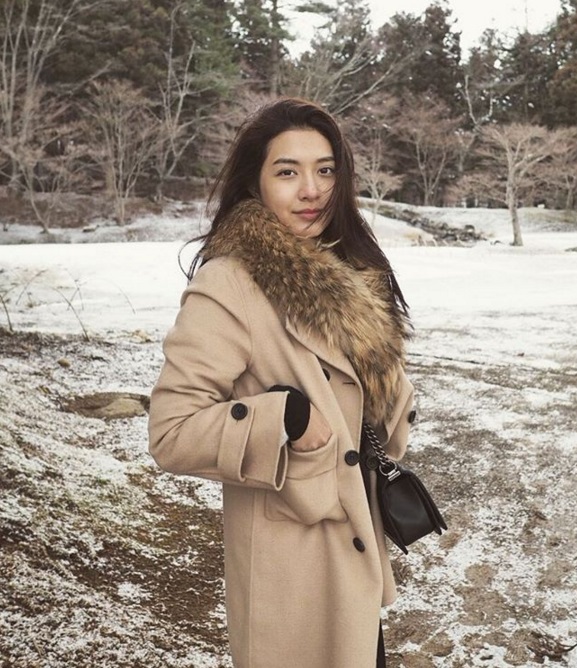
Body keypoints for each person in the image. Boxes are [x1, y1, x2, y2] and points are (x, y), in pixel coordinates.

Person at [148, 98, 415, 668]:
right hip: (287, 567)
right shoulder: (230, 283)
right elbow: (171, 432)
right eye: (288, 172)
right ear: (256, 183)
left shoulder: (354, 275)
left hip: (354, 552)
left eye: (325, 170)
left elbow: (376, 422)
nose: (311, 190)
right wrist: (284, 419)